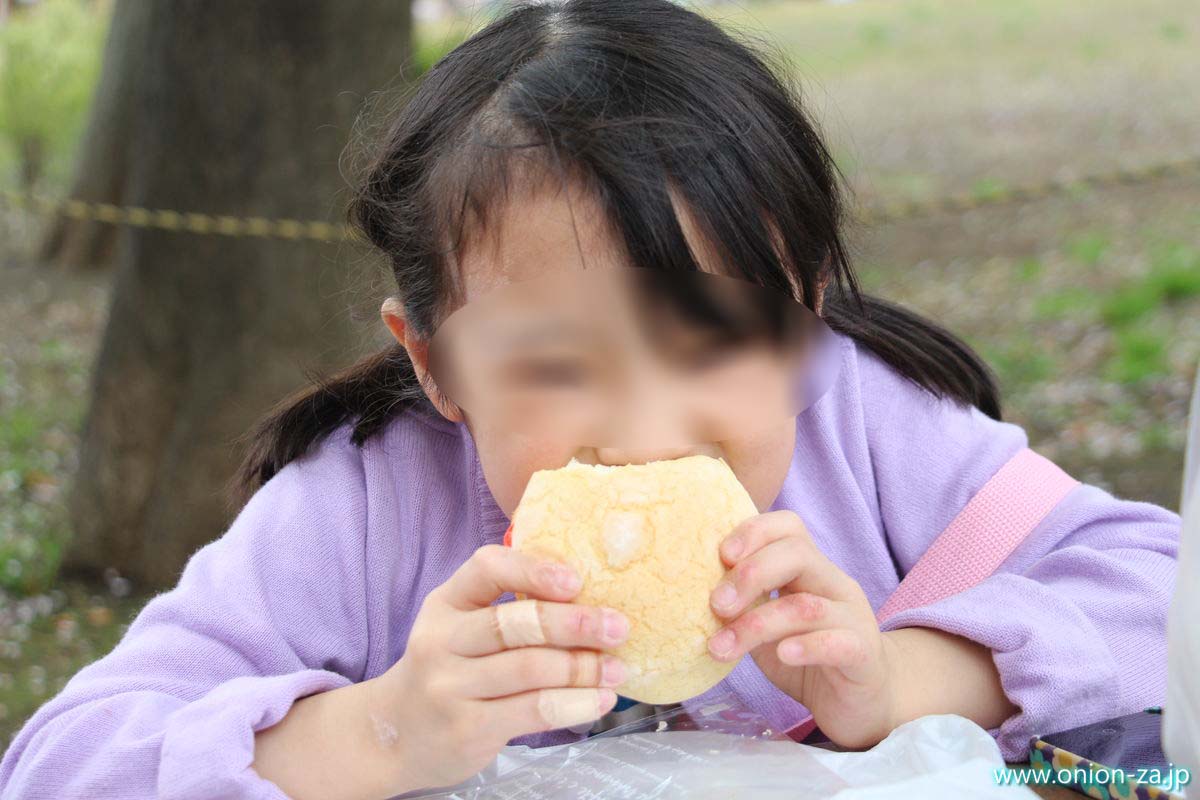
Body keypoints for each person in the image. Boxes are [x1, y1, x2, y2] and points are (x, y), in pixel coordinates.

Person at [0, 1, 1180, 798]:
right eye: (558, 367)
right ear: (435, 361)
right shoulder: (368, 504)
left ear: (802, 312)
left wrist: (899, 676)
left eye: (710, 340)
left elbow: (1162, 594)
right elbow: (58, 762)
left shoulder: (863, 424)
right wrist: (383, 728)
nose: (646, 424)